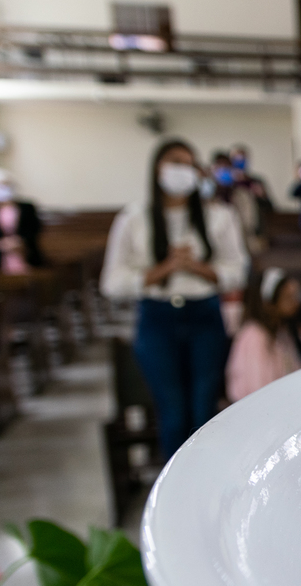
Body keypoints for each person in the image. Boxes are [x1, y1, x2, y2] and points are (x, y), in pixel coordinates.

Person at [101, 139, 249, 460]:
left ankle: (207, 485)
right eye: (174, 162)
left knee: (203, 409)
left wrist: (196, 267)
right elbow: (112, 283)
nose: (182, 170)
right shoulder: (134, 218)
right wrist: (164, 269)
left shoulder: (218, 216)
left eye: (188, 163)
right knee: (173, 411)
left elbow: (238, 270)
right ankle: (173, 489)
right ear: (158, 168)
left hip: (204, 315)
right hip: (158, 318)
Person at [225, 267, 301, 402]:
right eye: (289, 298)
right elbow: (257, 388)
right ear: (269, 304)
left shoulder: (281, 332)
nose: (296, 303)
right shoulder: (254, 335)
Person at [0, 169, 43, 274]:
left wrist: (19, 241)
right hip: (1, 254)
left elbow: (34, 227)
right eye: (0, 186)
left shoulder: (27, 207)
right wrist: (1, 243)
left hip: (25, 251)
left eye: (6, 184)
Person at [227, 145, 273, 255]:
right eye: (236, 158)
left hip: (253, 232)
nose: (239, 161)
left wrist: (262, 196)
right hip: (231, 230)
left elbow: (270, 207)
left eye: (242, 158)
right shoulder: (226, 183)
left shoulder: (256, 181)